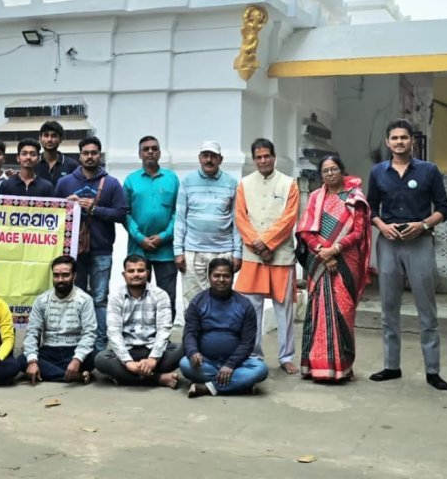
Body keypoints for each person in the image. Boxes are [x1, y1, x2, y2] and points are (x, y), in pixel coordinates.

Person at [367, 119, 447, 391]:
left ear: (412, 141)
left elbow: (444, 208)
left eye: (404, 137)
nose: (399, 142)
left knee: (426, 309)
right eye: (394, 138)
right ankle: (391, 366)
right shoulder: (378, 172)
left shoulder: (429, 170)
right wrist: (382, 226)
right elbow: (370, 208)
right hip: (388, 243)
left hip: (420, 243)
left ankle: (432, 371)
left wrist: (423, 225)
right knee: (389, 308)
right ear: (387, 142)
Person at [295, 155, 372, 382]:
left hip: (346, 261)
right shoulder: (315, 198)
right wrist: (323, 252)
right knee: (318, 311)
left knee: (343, 311)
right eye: (325, 171)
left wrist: (335, 249)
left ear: (342, 170)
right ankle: (316, 366)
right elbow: (305, 230)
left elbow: (358, 231)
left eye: (334, 169)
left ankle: (342, 368)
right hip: (319, 260)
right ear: (321, 175)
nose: (330, 174)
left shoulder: (354, 197)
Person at [234, 138, 300, 374]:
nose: (263, 161)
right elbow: (241, 217)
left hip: (281, 256)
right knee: (252, 309)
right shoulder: (244, 184)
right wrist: (258, 245)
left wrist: (268, 243)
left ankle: (286, 356)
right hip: (253, 256)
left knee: (284, 309)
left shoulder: (289, 184)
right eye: (259, 157)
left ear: (274, 157)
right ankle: (254, 354)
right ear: (254, 160)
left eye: (267, 156)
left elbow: (288, 219)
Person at [55, 136, 127, 351]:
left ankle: (99, 345)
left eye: (94, 153)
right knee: (73, 297)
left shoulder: (111, 183)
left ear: (99, 155)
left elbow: (121, 213)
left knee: (100, 298)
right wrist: (66, 205)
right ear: (80, 156)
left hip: (101, 249)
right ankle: (75, 342)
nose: (89, 157)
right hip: (72, 252)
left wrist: (95, 209)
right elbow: (54, 213)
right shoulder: (65, 183)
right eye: (85, 153)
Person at [180, 258, 268, 397]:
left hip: (238, 364)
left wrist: (231, 364)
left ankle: (209, 387)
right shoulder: (198, 302)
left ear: (232, 278)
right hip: (206, 361)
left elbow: (248, 342)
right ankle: (237, 384)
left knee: (260, 369)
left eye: (226, 276)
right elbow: (189, 333)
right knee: (185, 363)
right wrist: (193, 352)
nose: (221, 280)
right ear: (209, 277)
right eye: (216, 276)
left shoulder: (245, 305)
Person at [94, 255, 181, 388]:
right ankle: (157, 378)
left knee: (181, 349)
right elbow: (113, 332)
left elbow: (164, 330)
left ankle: (126, 376)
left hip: (151, 349)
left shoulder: (160, 295)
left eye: (140, 270)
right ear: (124, 274)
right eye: (131, 271)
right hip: (128, 350)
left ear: (147, 273)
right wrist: (128, 362)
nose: (136, 274)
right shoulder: (116, 297)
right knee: (100, 359)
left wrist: (153, 359)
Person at [174, 141, 242, 308]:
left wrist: (237, 253)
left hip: (223, 252)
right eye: (205, 156)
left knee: (221, 302)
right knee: (193, 301)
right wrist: (178, 251)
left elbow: (237, 221)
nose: (209, 160)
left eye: (213, 156)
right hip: (193, 252)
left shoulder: (232, 183)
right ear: (199, 158)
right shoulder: (187, 181)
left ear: (220, 159)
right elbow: (180, 219)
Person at [123, 135, 180, 318]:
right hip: (138, 249)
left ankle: (165, 333)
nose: (150, 152)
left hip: (166, 250)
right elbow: (124, 213)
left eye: (154, 149)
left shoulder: (172, 179)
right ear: (139, 154)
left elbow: (178, 212)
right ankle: (137, 332)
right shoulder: (131, 180)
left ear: (159, 153)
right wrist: (140, 238)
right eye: (146, 149)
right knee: (137, 296)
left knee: (167, 298)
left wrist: (164, 236)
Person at [18, 255, 96, 384]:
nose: (60, 280)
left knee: (96, 358)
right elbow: (32, 332)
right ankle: (75, 376)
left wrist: (77, 359)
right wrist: (32, 361)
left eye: (65, 275)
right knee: (22, 360)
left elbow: (89, 334)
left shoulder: (85, 300)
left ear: (74, 276)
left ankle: (52, 372)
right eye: (56, 275)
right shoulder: (42, 300)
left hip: (74, 349)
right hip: (49, 350)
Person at [36, 120, 79, 186]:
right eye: (46, 135)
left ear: (61, 139)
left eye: (54, 136)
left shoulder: (71, 165)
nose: (49, 139)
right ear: (40, 138)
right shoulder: (34, 163)